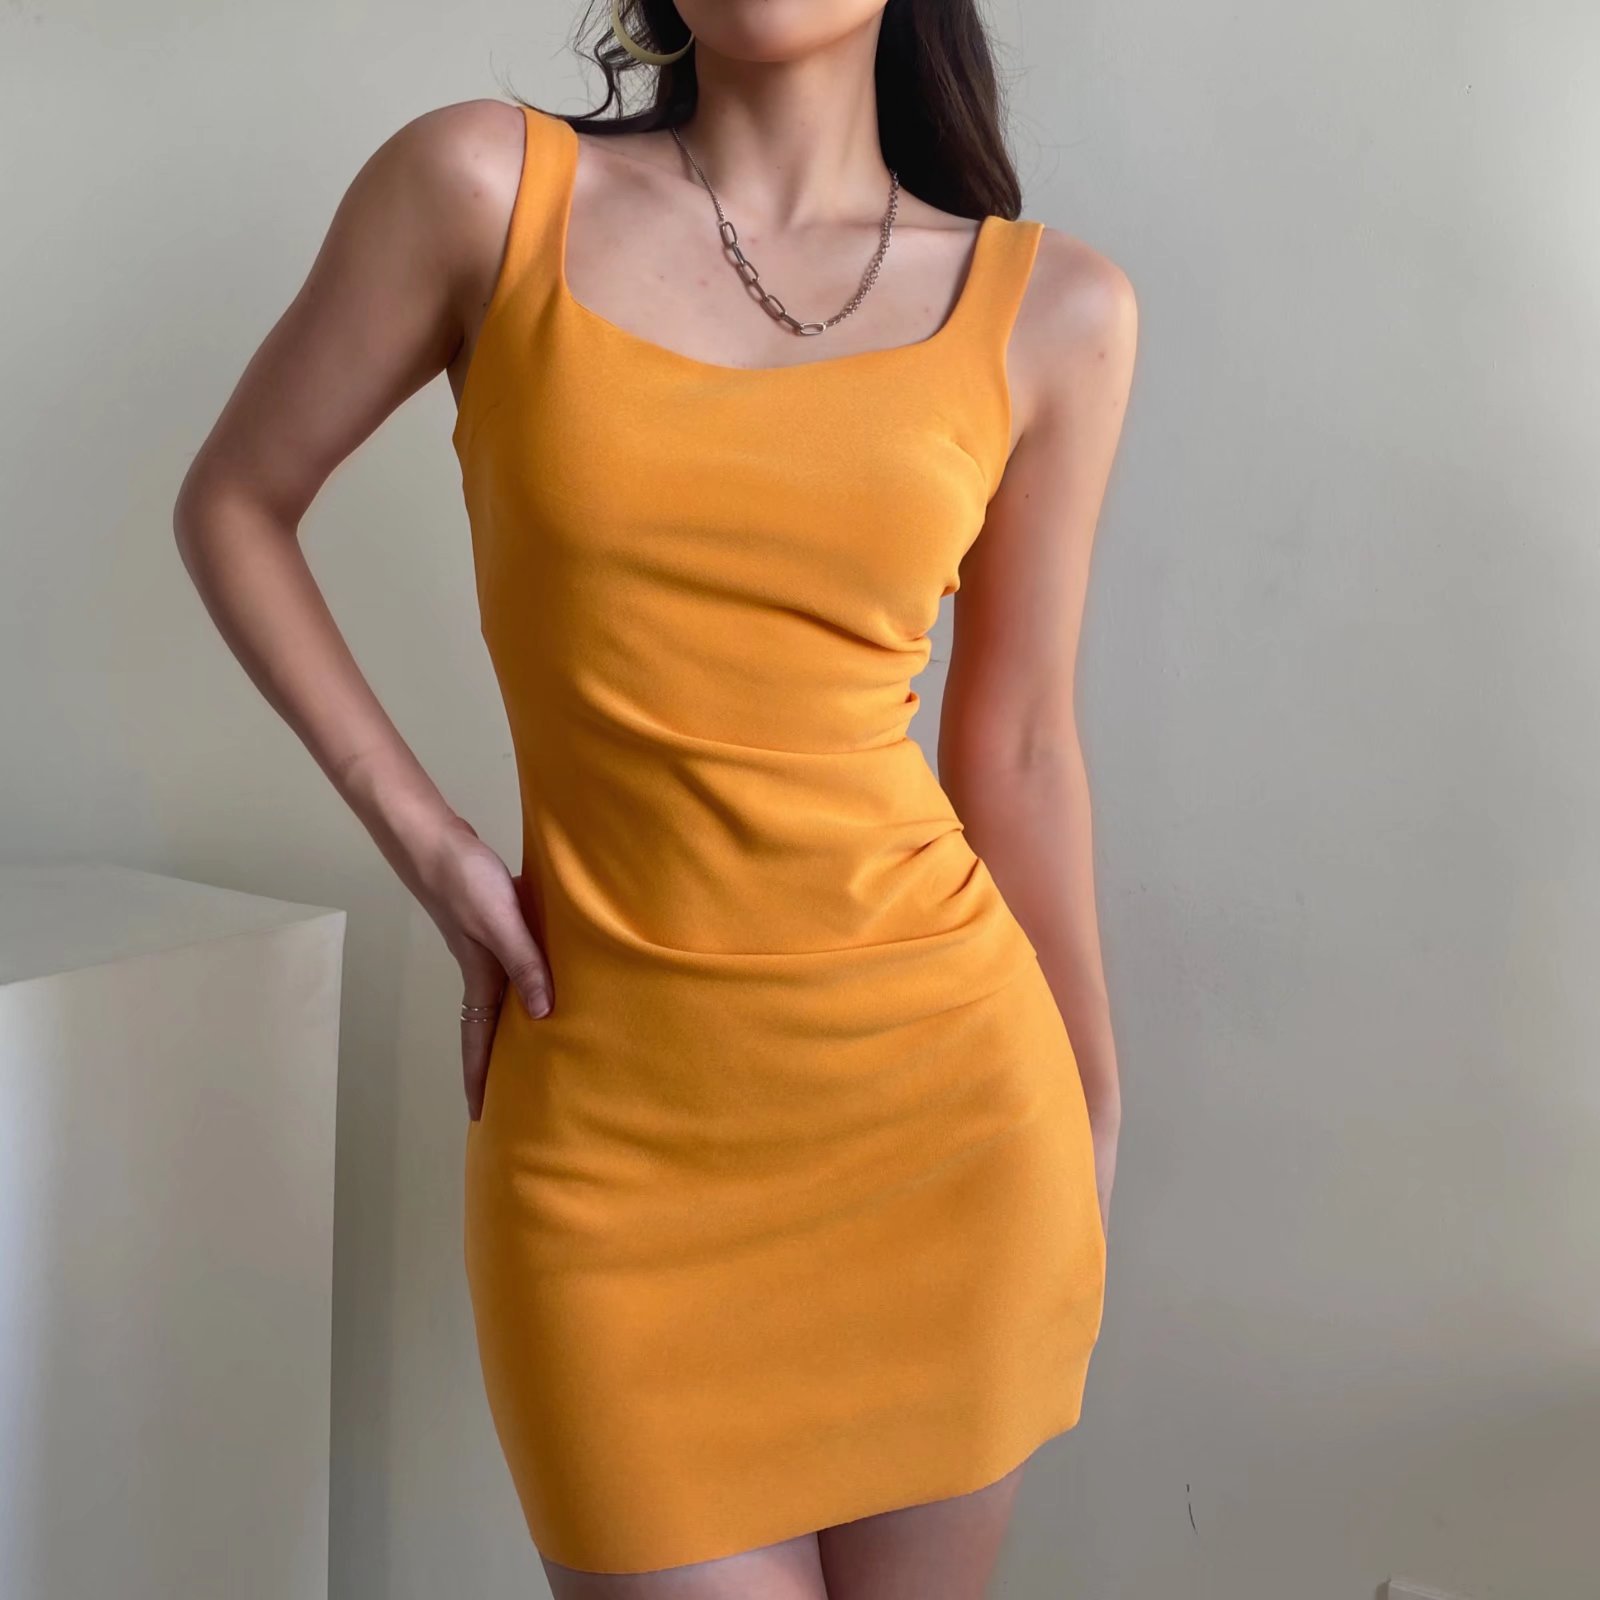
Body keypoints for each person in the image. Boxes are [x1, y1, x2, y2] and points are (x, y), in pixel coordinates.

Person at [173, 2, 1136, 1594]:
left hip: (953, 1126)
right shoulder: (481, 192)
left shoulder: (1057, 310)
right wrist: (435, 850)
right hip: (610, 1149)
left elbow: (1021, 745)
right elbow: (235, 502)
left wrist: (1093, 1110)